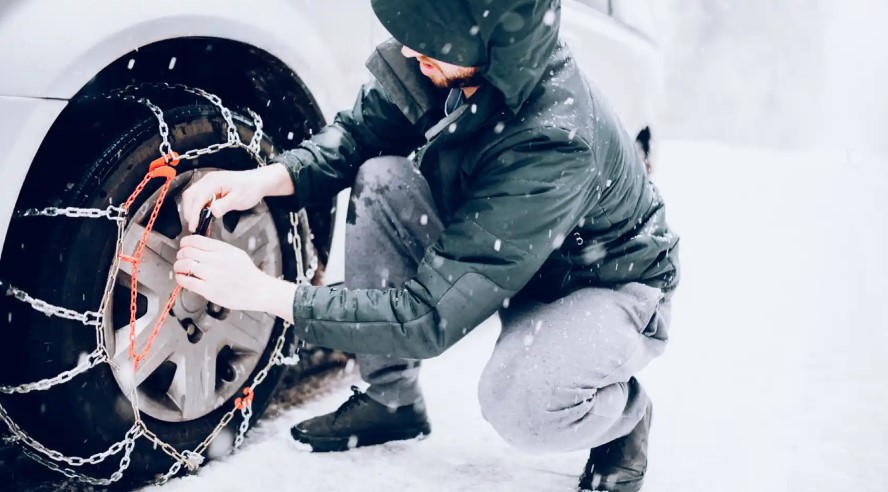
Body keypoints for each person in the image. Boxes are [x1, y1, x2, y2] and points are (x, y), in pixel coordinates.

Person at [174, 1, 679, 490]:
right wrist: (269, 178)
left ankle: (624, 419)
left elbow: (427, 317)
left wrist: (263, 293)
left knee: (520, 402)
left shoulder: (554, 142)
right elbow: (360, 134)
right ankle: (392, 399)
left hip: (607, 285)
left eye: (430, 43)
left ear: (487, 40)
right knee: (383, 177)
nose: (412, 52)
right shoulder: (455, 62)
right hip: (520, 258)